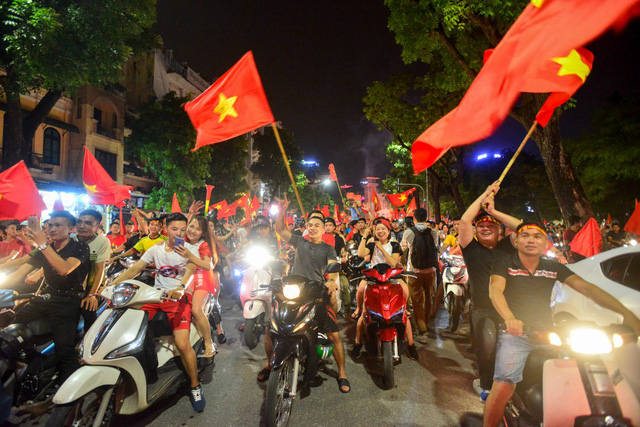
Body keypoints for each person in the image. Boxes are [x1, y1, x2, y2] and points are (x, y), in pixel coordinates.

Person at [483, 222, 640, 427]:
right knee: (504, 386)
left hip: (549, 333)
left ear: (545, 242)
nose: (531, 240)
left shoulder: (553, 267)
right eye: (525, 235)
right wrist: (510, 317)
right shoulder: (505, 263)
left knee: (581, 376)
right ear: (516, 240)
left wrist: (626, 313)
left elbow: (588, 289)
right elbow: (495, 291)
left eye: (537, 236)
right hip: (515, 333)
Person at [111, 212, 205, 412]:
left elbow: (189, 271)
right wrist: (111, 285)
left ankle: (195, 385)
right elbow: (134, 269)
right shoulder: (155, 249)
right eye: (174, 229)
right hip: (155, 297)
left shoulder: (189, 249)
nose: (178, 233)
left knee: (182, 343)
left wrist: (180, 287)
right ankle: (146, 371)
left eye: (182, 229)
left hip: (179, 297)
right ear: (165, 228)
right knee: (132, 329)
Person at [271, 196, 351, 393]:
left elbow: (333, 270)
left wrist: (332, 281)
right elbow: (280, 229)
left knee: (334, 334)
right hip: (294, 292)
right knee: (272, 327)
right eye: (310, 225)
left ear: (324, 229)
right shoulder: (300, 242)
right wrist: (281, 211)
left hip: (316, 293)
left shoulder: (328, 248)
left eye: (317, 225)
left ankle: (342, 373)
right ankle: (269, 365)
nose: (313, 228)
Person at [2, 211, 90, 386]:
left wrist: (43, 245)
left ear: (71, 229)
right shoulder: (45, 248)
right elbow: (20, 270)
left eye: (58, 225)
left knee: (64, 348)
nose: (52, 229)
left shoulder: (79, 248)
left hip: (67, 301)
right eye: (50, 225)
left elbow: (64, 269)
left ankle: (70, 392)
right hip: (45, 296)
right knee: (11, 330)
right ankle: (31, 364)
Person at [458, 182, 520, 401]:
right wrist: (484, 193)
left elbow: (522, 227)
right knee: (487, 349)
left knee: (517, 353)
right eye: (481, 225)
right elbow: (465, 220)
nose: (485, 227)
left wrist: (493, 211)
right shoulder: (471, 250)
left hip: (511, 310)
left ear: (499, 231)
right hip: (483, 310)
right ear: (475, 231)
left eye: (491, 225)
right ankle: (485, 386)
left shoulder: (507, 248)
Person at [352, 218, 419, 360]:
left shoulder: (394, 245)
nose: (380, 231)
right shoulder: (371, 243)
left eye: (383, 229)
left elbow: (393, 262)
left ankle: (411, 344)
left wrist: (381, 248)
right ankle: (357, 340)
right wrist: (365, 235)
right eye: (377, 229)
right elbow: (360, 253)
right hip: (373, 277)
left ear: (389, 231)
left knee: (405, 290)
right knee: (361, 292)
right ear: (374, 232)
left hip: (391, 276)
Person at [181, 215, 220, 357]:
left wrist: (190, 256)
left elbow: (207, 265)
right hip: (184, 278)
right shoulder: (182, 240)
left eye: (198, 229)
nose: (193, 231)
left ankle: (208, 342)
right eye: (191, 226)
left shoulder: (203, 245)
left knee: (196, 310)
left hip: (201, 279)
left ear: (203, 233)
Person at [400, 208, 439, 344]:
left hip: (414, 272)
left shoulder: (409, 232)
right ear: (426, 218)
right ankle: (426, 324)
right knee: (428, 298)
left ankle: (422, 331)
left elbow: (402, 248)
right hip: (430, 272)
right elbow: (436, 248)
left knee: (416, 301)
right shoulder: (434, 232)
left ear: (414, 218)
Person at [76, 209, 112, 331]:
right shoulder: (70, 239)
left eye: (88, 223)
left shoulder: (102, 241)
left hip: (91, 287)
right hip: (72, 288)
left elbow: (99, 269)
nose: (82, 226)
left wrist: (92, 294)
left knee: (89, 312)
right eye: (79, 222)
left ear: (97, 226)